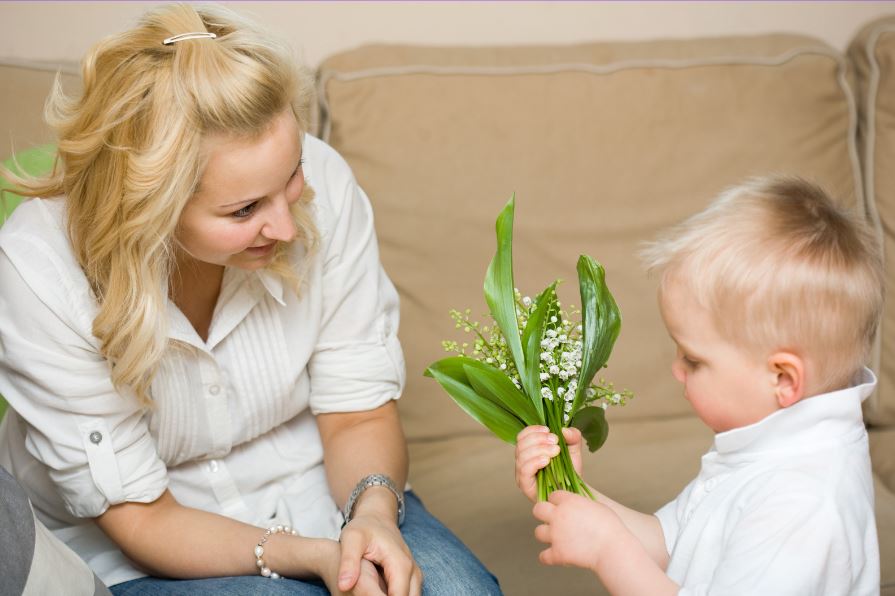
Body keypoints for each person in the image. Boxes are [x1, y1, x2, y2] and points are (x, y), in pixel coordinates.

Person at [0, 4, 501, 595]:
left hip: (326, 495)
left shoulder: (328, 184)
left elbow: (358, 416)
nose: (288, 229)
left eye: (291, 177)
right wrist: (308, 558)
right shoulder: (38, 267)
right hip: (139, 544)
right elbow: (141, 516)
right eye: (243, 211)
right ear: (148, 206)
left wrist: (369, 517)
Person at [514, 176, 883, 595]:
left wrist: (608, 550)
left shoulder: (801, 503)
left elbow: (635, 555)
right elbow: (671, 544)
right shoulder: (766, 449)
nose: (676, 370)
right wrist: (571, 491)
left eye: (693, 358)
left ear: (782, 379)